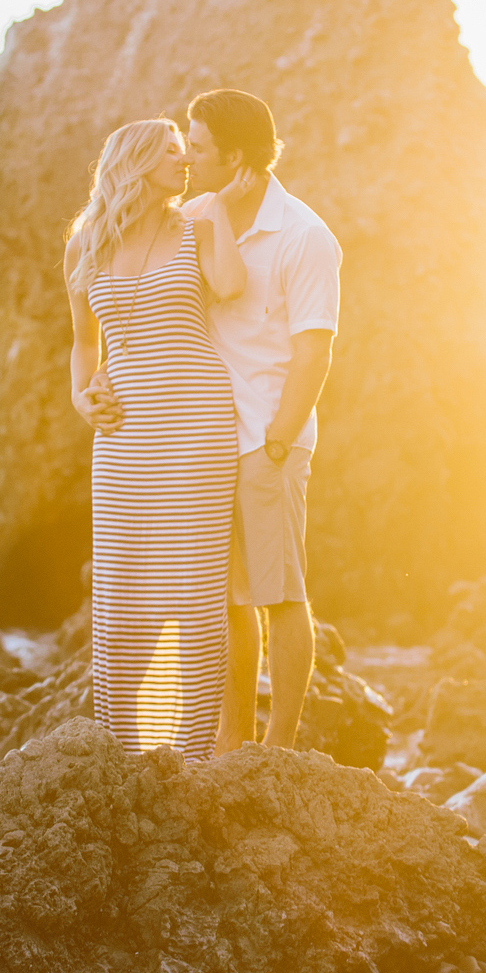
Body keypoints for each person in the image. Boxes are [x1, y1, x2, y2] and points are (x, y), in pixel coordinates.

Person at [63, 117, 256, 760]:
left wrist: (221, 210)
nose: (184, 163)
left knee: (194, 586)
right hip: (121, 435)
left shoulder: (196, 226)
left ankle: (192, 754)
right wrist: (80, 395)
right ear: (137, 160)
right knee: (124, 582)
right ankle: (124, 751)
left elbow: (231, 286)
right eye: (173, 152)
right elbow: (83, 344)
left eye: (184, 151)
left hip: (196, 425)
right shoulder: (84, 243)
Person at [180, 89, 342, 754]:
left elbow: (315, 348)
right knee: (228, 601)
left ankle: (277, 748)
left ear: (235, 156)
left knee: (280, 595)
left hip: (268, 441)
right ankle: (232, 738)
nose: (187, 158)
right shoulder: (195, 214)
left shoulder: (305, 235)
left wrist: (277, 441)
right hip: (212, 438)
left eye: (197, 147)